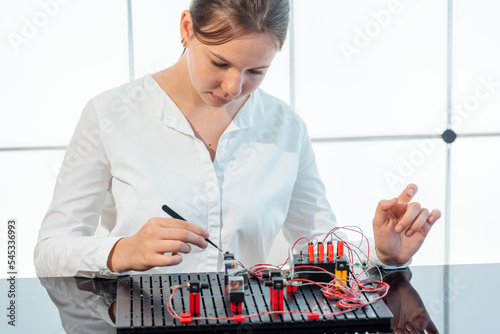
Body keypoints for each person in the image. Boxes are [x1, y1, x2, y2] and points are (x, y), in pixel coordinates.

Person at [34, 0, 441, 278]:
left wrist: (382, 254)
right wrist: (122, 250)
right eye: (220, 62)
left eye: (256, 72)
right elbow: (49, 251)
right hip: (142, 319)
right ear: (187, 28)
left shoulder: (285, 127)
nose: (233, 86)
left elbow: (316, 247)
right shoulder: (109, 115)